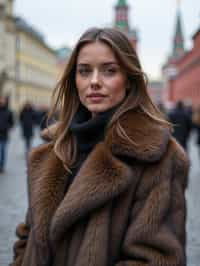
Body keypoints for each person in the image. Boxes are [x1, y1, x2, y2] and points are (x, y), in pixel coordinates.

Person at [10, 28, 189, 266]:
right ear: (74, 80)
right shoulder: (53, 150)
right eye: (84, 71)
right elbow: (28, 236)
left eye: (109, 71)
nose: (94, 81)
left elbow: (157, 258)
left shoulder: (156, 156)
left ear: (129, 80)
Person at [0, 95, 14, 173]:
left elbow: (12, 123)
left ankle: (2, 166)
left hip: (4, 134)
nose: (1, 101)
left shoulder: (9, 111)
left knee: (2, 150)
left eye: (3, 100)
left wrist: (6, 127)